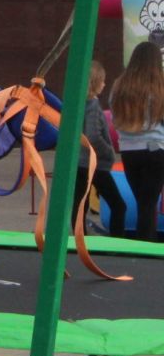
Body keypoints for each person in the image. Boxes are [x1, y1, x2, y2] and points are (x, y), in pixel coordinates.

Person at [110, 41, 164, 241]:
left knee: (143, 201)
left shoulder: (120, 86)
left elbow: (115, 114)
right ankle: (146, 246)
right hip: (155, 149)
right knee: (148, 203)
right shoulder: (159, 86)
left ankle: (143, 244)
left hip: (129, 151)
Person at [78, 60, 122, 237]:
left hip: (78, 163)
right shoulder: (93, 106)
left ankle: (79, 237)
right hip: (95, 164)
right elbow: (93, 136)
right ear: (95, 83)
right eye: (102, 81)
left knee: (80, 203)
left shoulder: (77, 103)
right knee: (118, 205)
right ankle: (118, 242)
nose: (105, 84)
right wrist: (109, 153)